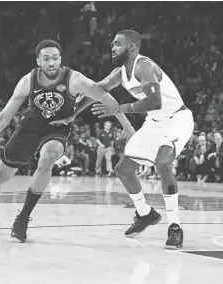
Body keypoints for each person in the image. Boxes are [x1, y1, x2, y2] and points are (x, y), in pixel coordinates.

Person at [0, 39, 132, 243]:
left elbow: (106, 98)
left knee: (48, 158)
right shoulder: (28, 81)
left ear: (60, 59)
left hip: (58, 128)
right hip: (29, 128)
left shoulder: (75, 79)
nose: (51, 62)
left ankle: (24, 216)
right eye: (46, 59)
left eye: (55, 58)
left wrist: (127, 126)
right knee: (1, 175)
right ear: (38, 61)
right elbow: (3, 118)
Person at [70, 30, 194, 248]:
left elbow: (155, 101)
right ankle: (145, 213)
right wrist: (73, 113)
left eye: (118, 44)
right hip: (155, 122)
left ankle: (174, 226)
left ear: (133, 48)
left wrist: (118, 108)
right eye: (112, 44)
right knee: (123, 169)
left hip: (177, 119)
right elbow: (96, 90)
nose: (113, 48)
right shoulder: (120, 73)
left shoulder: (144, 66)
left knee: (163, 163)